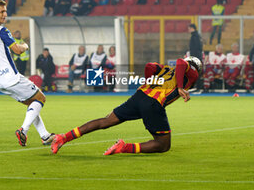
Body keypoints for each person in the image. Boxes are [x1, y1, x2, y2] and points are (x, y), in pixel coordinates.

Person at [51, 56, 202, 155]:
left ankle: (63, 137)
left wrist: (147, 82)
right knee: (163, 144)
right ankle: (124, 147)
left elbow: (150, 66)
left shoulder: (166, 69)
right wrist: (181, 87)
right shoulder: (192, 75)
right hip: (153, 103)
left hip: (139, 96)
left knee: (105, 121)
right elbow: (182, 62)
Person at [0, 0, 54, 146]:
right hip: (11, 77)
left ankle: (45, 136)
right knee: (41, 98)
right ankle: (23, 130)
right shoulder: (1, 31)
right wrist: (25, 45)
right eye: (2, 11)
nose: (5, 14)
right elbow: (16, 50)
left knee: (32, 103)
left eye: (5, 11)